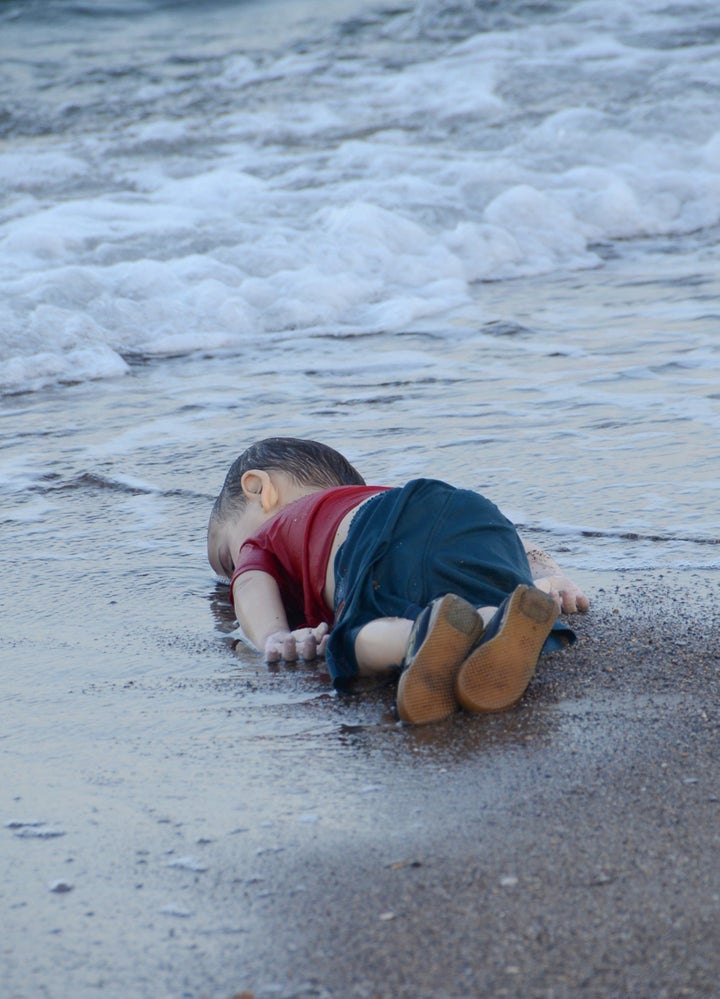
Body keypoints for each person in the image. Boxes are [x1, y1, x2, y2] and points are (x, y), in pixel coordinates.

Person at [207, 437, 589, 724]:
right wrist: (553, 575)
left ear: (260, 488)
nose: (235, 571)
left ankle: (416, 637)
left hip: (377, 539)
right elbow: (517, 541)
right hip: (474, 515)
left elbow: (250, 585)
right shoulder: (377, 495)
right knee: (471, 593)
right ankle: (496, 618)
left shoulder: (271, 533)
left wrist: (272, 636)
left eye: (228, 558)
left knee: (350, 641)